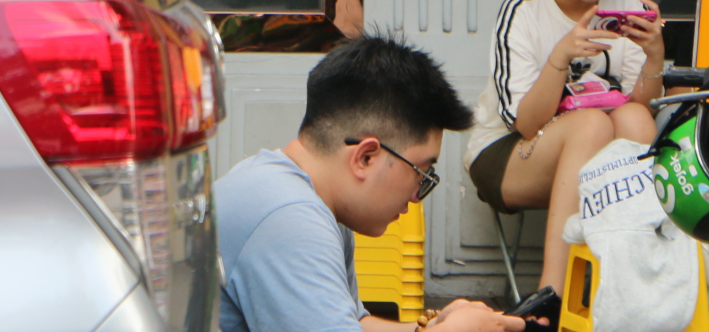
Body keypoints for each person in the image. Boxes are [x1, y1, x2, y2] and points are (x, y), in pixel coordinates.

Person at [215, 34, 528, 332]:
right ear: (365, 157)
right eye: (420, 172)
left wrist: (433, 325)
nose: (418, 196)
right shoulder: (287, 218)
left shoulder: (307, 199)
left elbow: (353, 323)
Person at [464, 0, 667, 299]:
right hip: (508, 152)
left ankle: (640, 291)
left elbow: (638, 108)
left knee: (634, 118)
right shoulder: (522, 10)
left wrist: (654, 57)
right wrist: (560, 58)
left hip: (593, 152)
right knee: (590, 124)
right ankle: (552, 295)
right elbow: (525, 123)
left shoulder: (626, 7)